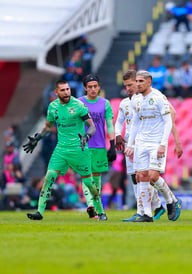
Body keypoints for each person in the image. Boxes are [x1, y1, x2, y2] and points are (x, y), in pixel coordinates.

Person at [24, 80, 107, 220]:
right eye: (63, 90)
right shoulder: (52, 107)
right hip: (61, 150)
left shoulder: (78, 105)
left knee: (88, 183)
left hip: (79, 149)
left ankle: (101, 211)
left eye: (68, 89)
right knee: (49, 176)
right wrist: (37, 138)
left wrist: (86, 137)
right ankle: (39, 212)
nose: (67, 92)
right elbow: (48, 127)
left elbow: (92, 126)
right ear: (57, 93)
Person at [117, 70, 183, 222]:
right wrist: (132, 144)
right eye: (137, 81)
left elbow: (168, 121)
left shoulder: (158, 98)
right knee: (140, 176)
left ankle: (172, 200)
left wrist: (163, 144)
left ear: (149, 81)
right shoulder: (136, 100)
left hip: (155, 143)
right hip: (141, 143)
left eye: (141, 81)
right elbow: (134, 123)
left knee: (153, 176)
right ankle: (146, 214)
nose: (138, 84)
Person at [78, 74, 116, 218]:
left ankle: (92, 204)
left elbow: (110, 125)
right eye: (90, 87)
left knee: (97, 178)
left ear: (99, 86)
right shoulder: (79, 103)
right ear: (85, 88)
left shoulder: (105, 103)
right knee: (86, 177)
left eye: (95, 86)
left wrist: (112, 145)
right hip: (84, 146)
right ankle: (91, 205)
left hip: (100, 145)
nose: (93, 89)